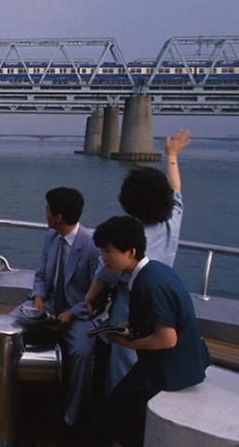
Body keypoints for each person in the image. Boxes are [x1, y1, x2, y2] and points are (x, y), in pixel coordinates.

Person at [85, 129, 191, 395]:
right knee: (147, 372)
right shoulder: (171, 222)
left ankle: (117, 424)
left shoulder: (131, 235)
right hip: (160, 304)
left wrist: (90, 296)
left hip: (130, 306)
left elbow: (106, 271)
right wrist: (172, 156)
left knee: (123, 369)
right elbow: (176, 190)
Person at [93, 216, 210, 447]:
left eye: (108, 251)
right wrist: (127, 327)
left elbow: (167, 339)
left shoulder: (149, 283)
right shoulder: (154, 271)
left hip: (172, 367)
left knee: (114, 415)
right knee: (116, 412)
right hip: (177, 360)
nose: (103, 258)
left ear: (130, 251)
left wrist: (124, 342)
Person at [13, 187, 100, 427]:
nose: (45, 214)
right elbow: (41, 274)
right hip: (50, 305)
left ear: (58, 216)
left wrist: (73, 313)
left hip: (80, 313)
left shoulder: (92, 245)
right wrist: (38, 299)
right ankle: (13, 397)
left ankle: (72, 416)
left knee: (82, 352)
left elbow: (97, 293)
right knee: (8, 325)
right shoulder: (50, 238)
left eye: (48, 210)